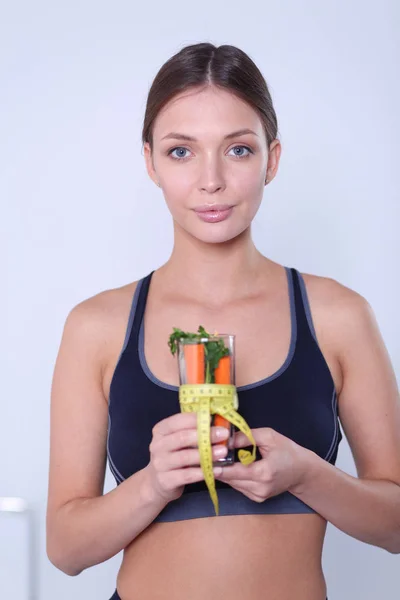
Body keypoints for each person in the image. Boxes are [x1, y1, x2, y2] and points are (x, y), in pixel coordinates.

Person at [46, 42, 400, 600]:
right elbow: (65, 550)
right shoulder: (96, 327)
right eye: (181, 152)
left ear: (272, 159)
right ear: (150, 163)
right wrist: (155, 483)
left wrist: (307, 474)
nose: (210, 180)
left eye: (237, 149)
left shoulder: (338, 316)